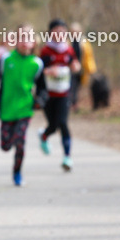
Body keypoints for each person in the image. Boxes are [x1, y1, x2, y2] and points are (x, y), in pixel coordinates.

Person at [0, 26, 44, 186]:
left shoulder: (37, 63)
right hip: (7, 109)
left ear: (34, 42)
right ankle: (9, 143)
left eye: (28, 38)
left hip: (25, 109)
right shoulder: (6, 60)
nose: (24, 42)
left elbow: (42, 87)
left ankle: (17, 172)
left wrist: (40, 100)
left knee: (20, 142)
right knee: (5, 146)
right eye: (21, 38)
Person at [39, 19, 80, 170]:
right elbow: (37, 70)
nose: (60, 34)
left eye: (63, 31)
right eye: (57, 31)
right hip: (49, 95)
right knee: (53, 126)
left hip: (64, 94)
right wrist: (49, 71)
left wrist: (75, 67)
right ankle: (44, 135)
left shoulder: (68, 49)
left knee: (63, 123)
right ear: (50, 33)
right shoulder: (45, 51)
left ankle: (67, 157)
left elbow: (75, 65)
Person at [69, 22, 97, 111]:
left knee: (77, 87)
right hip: (70, 69)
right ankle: (72, 104)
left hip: (82, 69)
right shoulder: (68, 41)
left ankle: (75, 104)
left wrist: (91, 69)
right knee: (71, 86)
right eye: (73, 31)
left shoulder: (84, 42)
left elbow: (89, 57)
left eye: (76, 31)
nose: (75, 33)